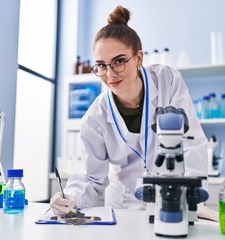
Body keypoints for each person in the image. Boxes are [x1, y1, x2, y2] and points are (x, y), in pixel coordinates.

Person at [51, 5, 208, 214]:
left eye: (118, 61)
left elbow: (191, 143)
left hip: (173, 201)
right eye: (102, 65)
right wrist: (70, 197)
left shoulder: (167, 81)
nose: (110, 74)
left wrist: (191, 198)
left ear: (139, 59)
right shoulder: (95, 117)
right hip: (124, 209)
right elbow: (90, 176)